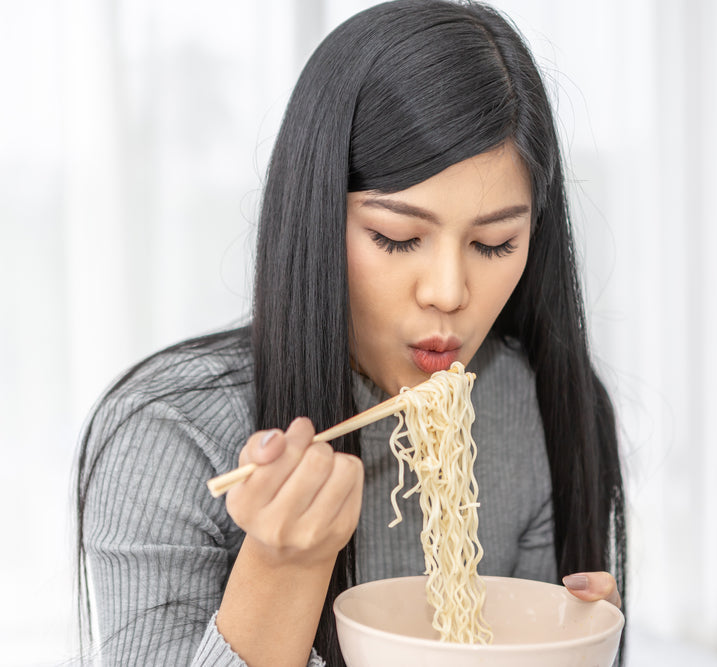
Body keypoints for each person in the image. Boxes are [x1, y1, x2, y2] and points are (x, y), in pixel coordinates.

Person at [75, 1, 627, 665]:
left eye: (493, 243)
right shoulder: (167, 430)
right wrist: (284, 567)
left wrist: (573, 649)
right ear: (314, 217)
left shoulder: (539, 406)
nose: (449, 292)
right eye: (396, 238)